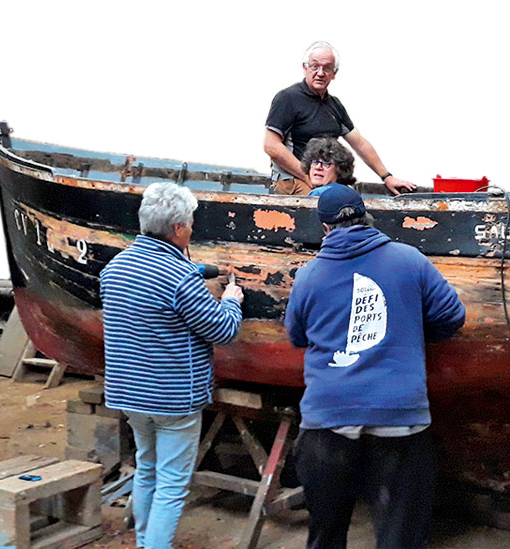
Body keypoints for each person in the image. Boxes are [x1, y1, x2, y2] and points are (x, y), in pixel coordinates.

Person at [286, 185, 465, 548]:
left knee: (326, 536)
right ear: (367, 216)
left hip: (328, 423)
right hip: (398, 419)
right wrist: (409, 330)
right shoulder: (409, 259)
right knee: (399, 538)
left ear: (325, 228)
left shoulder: (309, 275)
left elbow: (296, 336)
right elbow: (452, 317)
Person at [100, 182, 244, 549]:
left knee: (146, 471)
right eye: (191, 223)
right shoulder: (179, 279)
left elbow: (159, 283)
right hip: (172, 400)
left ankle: (145, 542)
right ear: (178, 229)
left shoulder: (115, 268)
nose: (193, 228)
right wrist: (232, 299)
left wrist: (200, 271)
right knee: (172, 485)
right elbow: (224, 330)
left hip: (128, 394)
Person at [264, 40, 417, 196]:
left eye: (327, 68)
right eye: (315, 66)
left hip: (324, 182)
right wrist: (307, 177)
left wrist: (387, 177)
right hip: (293, 181)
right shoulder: (288, 98)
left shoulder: (334, 105)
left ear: (334, 73)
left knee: (350, 203)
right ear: (305, 68)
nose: (320, 73)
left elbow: (360, 144)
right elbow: (271, 146)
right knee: (326, 205)